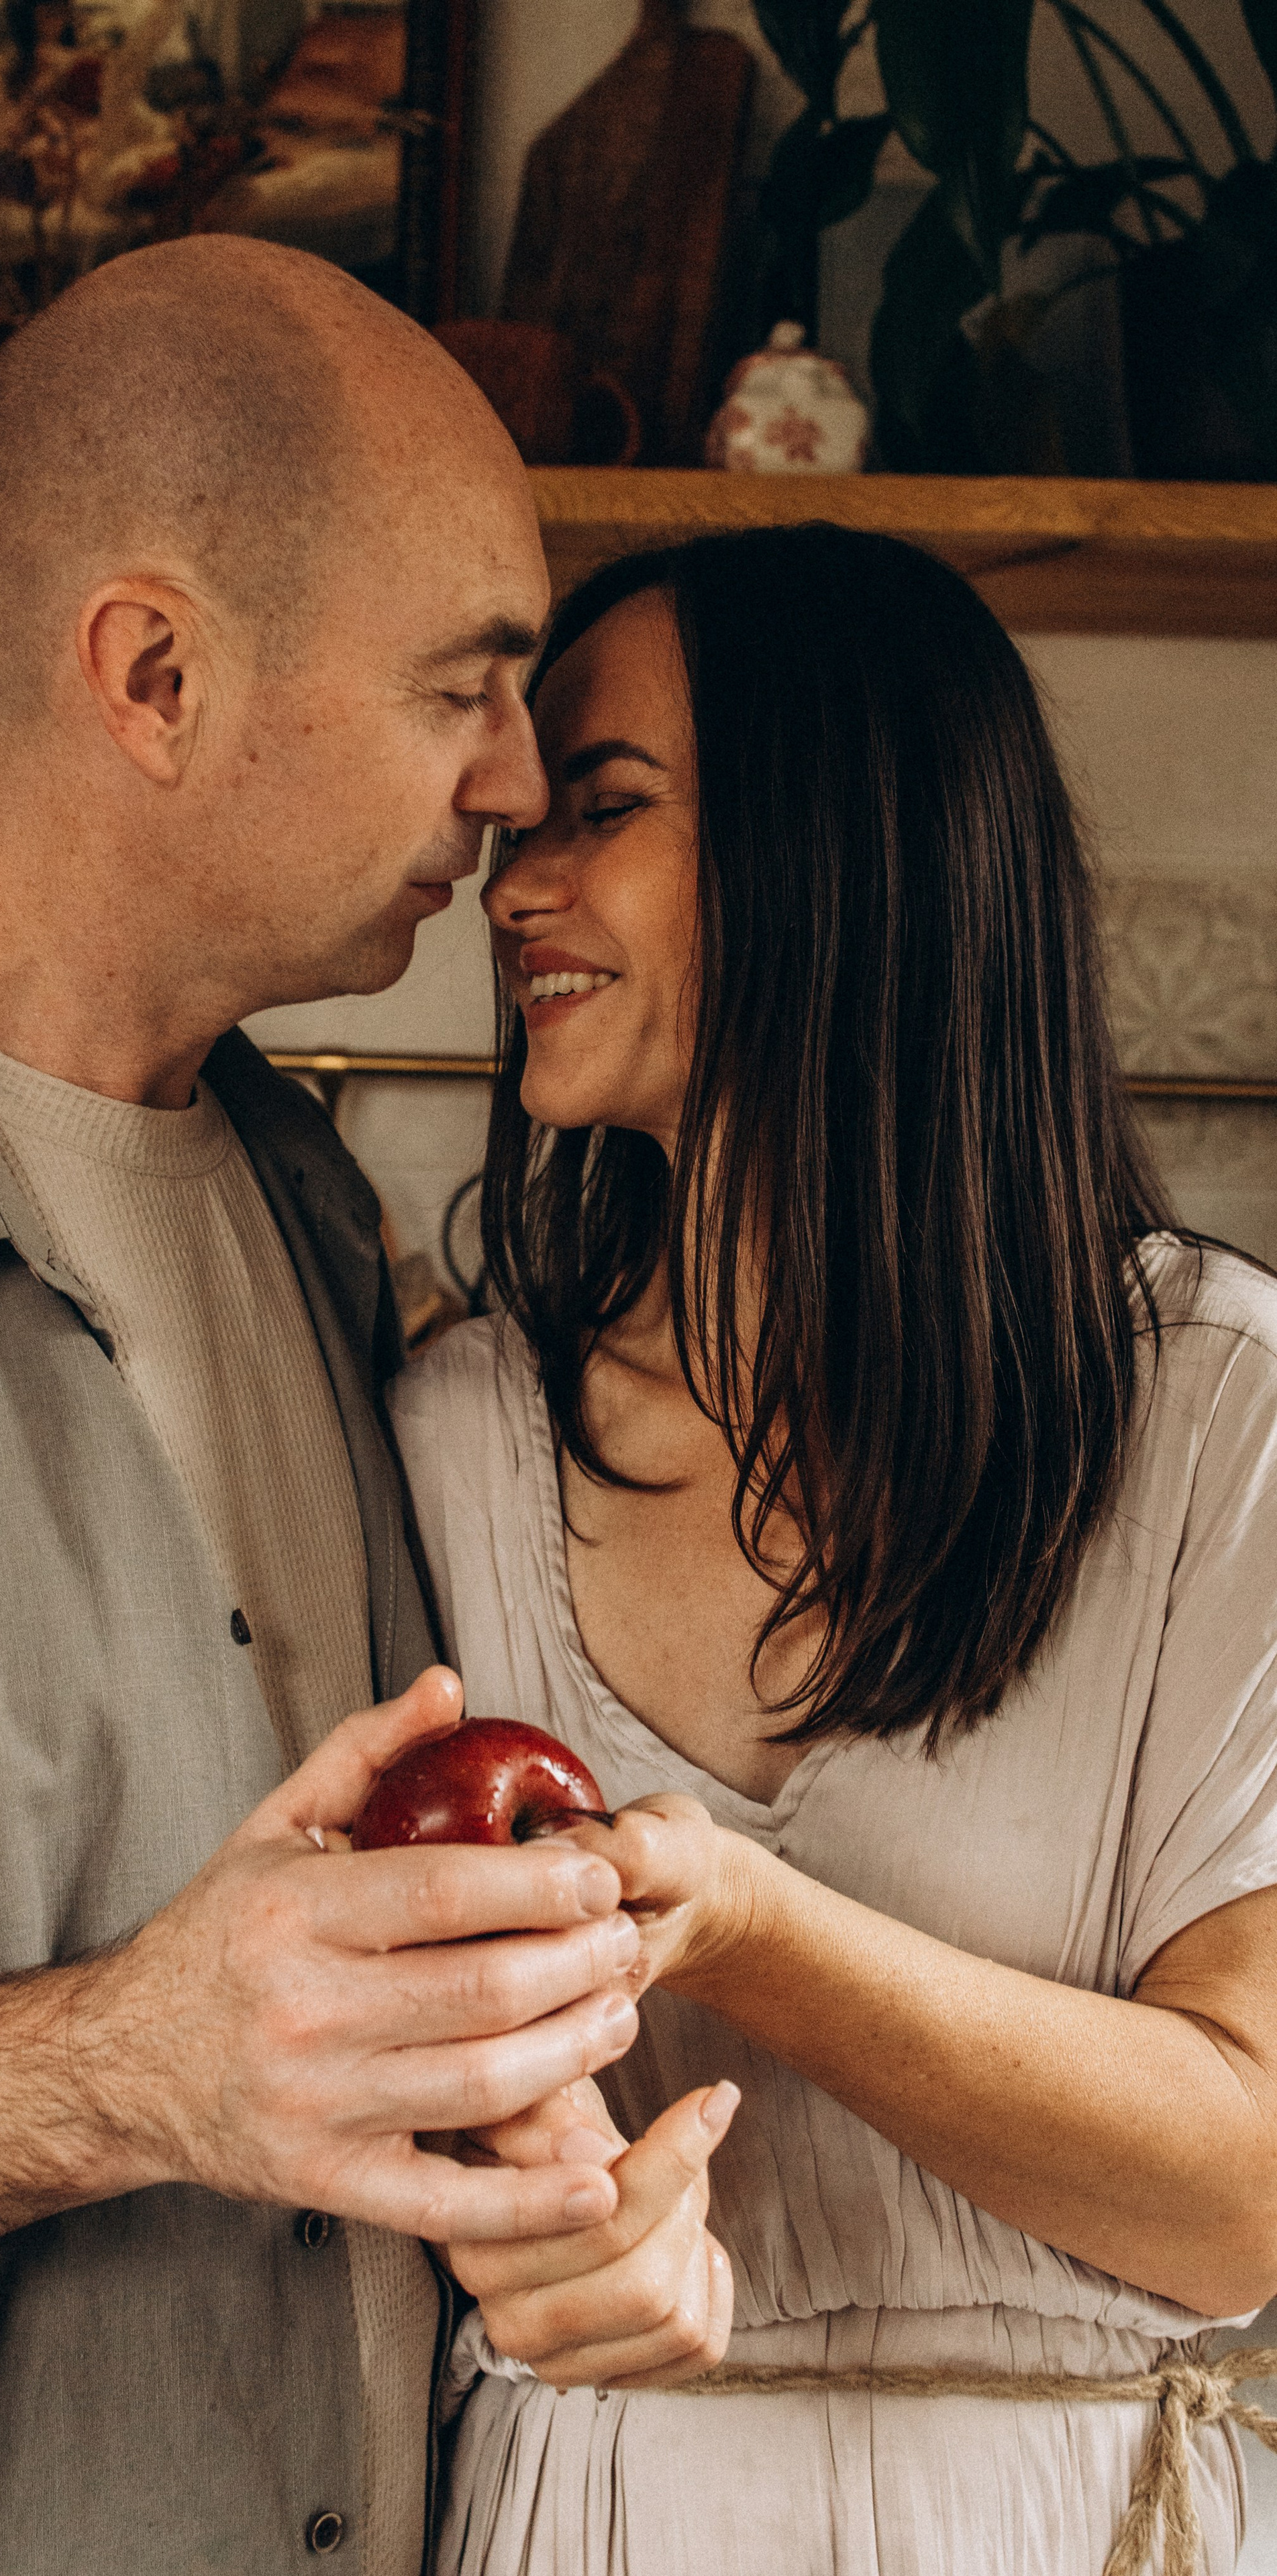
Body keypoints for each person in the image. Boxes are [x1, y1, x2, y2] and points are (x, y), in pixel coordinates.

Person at [0, 240, 730, 2576]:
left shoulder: (318, 1213)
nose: (511, 784)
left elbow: (311, 2041)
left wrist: (546, 2208)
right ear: (159, 676)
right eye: (464, 689)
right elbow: (183, 2047)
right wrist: (115, 2070)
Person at [391, 527, 1277, 2574]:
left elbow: (1239, 2191)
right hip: (579, 2510)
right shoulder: (453, 1437)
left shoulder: (1220, 1414)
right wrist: (527, 2205)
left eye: (599, 812)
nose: (512, 883)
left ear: (848, 848)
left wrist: (749, 1928)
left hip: (1075, 2519)